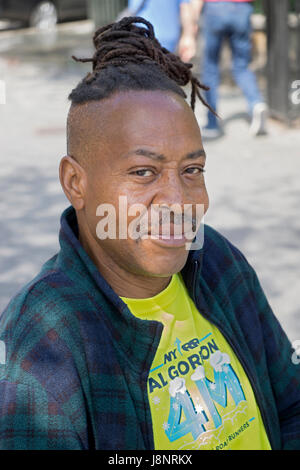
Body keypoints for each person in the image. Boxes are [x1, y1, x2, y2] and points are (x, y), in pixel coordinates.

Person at [0, 17, 299, 450]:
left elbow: (289, 403)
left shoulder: (215, 258)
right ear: (75, 183)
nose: (179, 202)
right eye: (144, 172)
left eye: (192, 170)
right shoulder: (44, 343)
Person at [193, 0, 268, 138]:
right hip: (242, 9)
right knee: (242, 66)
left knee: (210, 67)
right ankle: (256, 103)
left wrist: (193, 21)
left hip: (215, 8)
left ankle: (212, 123)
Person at [128, 0, 198, 62]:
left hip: (142, 36)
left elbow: (133, 8)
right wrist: (188, 36)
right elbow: (185, 7)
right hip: (166, 39)